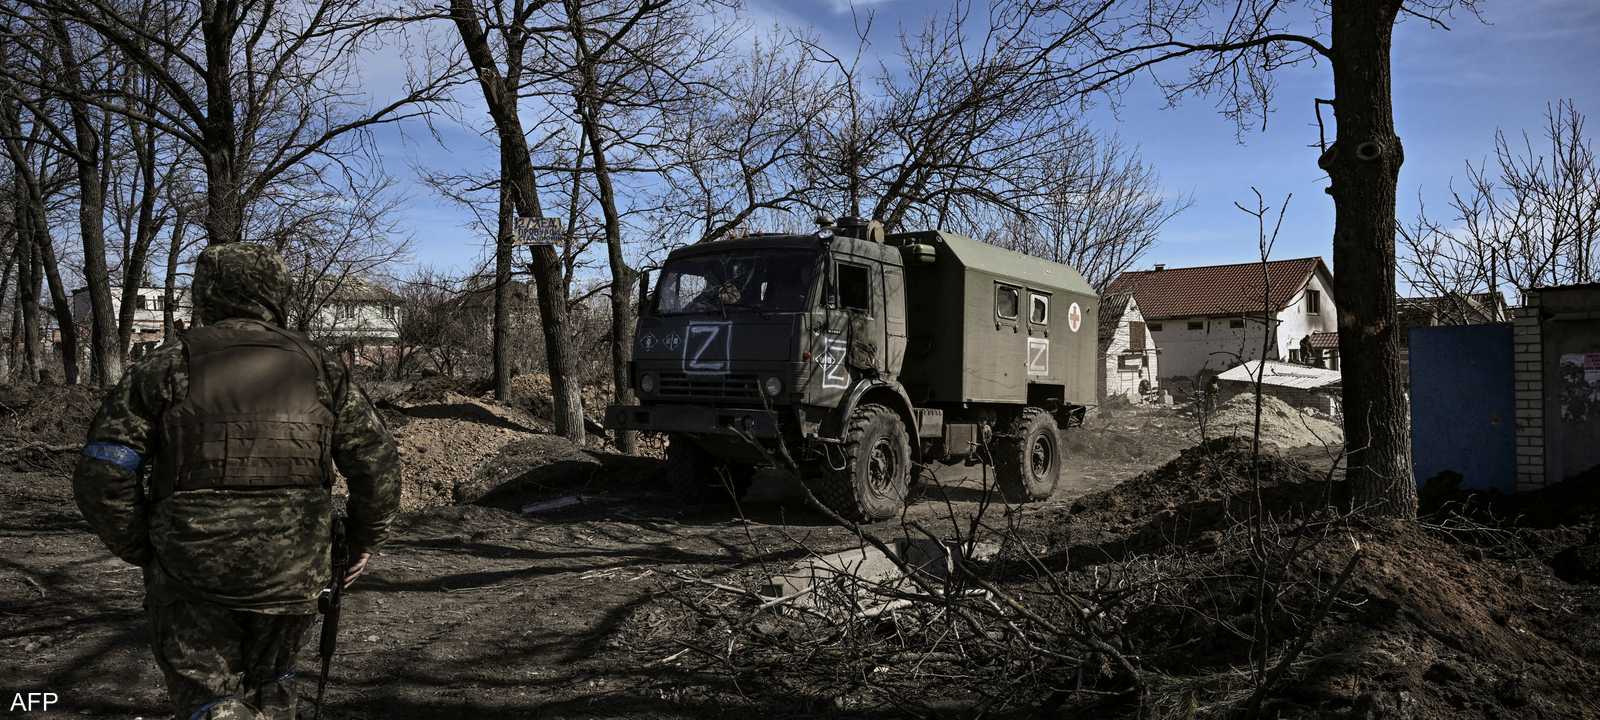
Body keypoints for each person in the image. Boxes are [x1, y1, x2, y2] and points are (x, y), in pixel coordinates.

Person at [72, 243, 401, 720]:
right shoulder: (320, 367)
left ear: (206, 294)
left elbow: (104, 470)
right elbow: (376, 461)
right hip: (294, 566)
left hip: (192, 567)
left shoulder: (166, 365)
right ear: (275, 293)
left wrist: (143, 545)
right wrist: (364, 540)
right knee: (275, 684)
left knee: (209, 698)